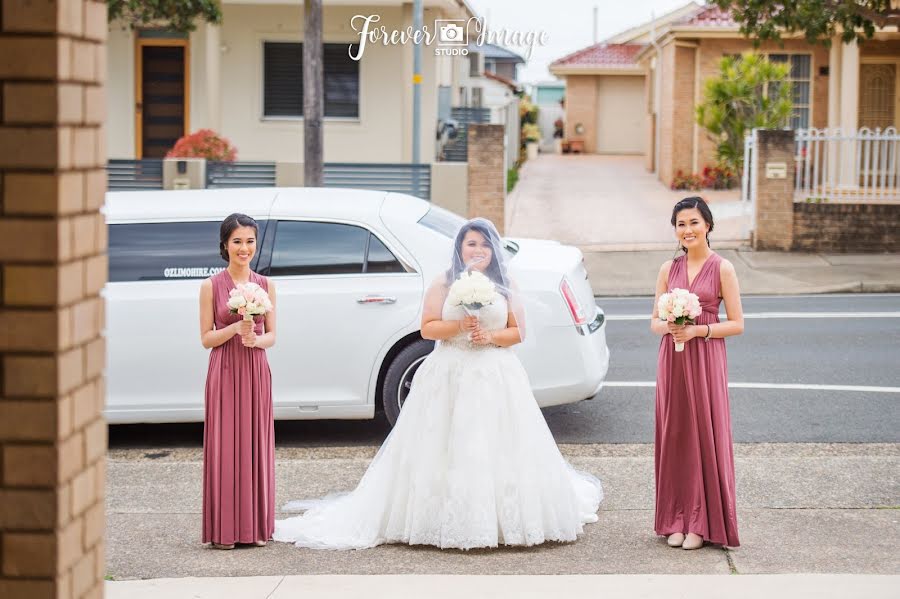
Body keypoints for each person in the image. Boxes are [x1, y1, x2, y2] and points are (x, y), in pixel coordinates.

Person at [273, 217, 602, 550]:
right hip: (449, 370)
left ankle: (501, 517)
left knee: (495, 442)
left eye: (485, 244)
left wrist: (489, 335)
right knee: (443, 442)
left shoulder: (506, 284)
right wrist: (459, 325)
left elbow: (518, 332)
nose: (478, 250)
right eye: (471, 243)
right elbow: (428, 328)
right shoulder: (444, 283)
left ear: (493, 250)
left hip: (495, 373)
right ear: (460, 248)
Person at [651, 197, 744, 550]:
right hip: (672, 358)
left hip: (705, 356)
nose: (687, 230)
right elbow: (653, 321)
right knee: (675, 434)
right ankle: (675, 519)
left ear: (707, 224)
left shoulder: (723, 268)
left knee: (703, 433)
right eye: (680, 224)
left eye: (693, 222)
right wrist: (671, 323)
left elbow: (737, 324)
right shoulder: (666, 269)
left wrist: (699, 331)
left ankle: (702, 523)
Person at [199, 213, 277, 549]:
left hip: (255, 368)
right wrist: (234, 329)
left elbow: (273, 334)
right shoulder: (210, 286)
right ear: (225, 245)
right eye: (237, 241)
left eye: (249, 241)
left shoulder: (266, 285)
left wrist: (256, 340)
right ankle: (225, 531)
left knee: (255, 444)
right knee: (225, 445)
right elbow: (205, 338)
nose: (244, 248)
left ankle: (255, 528)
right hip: (225, 369)